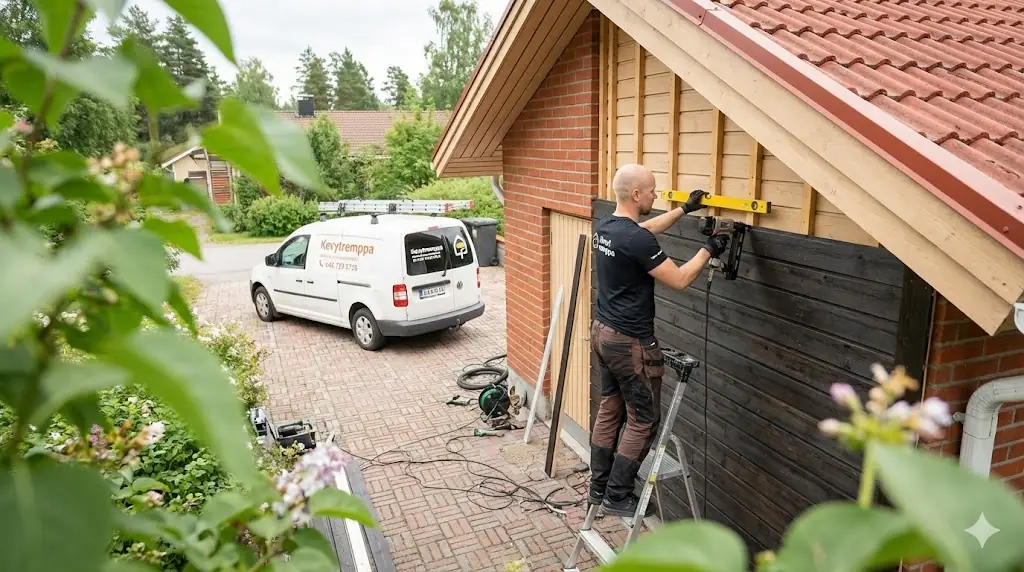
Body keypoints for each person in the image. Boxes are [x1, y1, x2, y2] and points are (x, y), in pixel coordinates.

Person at [588, 163, 728, 517]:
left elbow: (646, 230)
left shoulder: (608, 227)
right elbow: (679, 280)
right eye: (652, 191)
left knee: (610, 408)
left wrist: (684, 210)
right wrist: (709, 249)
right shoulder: (634, 238)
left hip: (602, 334)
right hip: (630, 343)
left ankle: (599, 486)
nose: (656, 195)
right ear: (636, 195)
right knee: (642, 419)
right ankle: (618, 495)